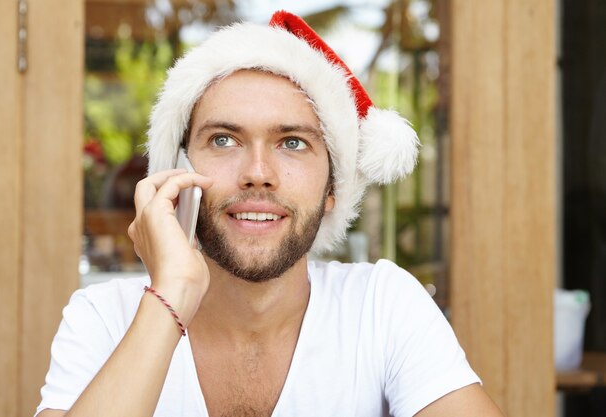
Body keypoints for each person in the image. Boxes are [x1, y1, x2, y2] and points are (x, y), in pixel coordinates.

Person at [36, 11, 504, 417]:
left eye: (292, 143)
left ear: (333, 189)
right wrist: (170, 299)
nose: (258, 173)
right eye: (223, 139)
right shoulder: (102, 318)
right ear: (176, 172)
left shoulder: (382, 308)